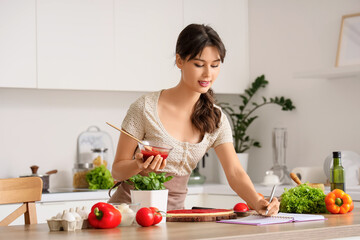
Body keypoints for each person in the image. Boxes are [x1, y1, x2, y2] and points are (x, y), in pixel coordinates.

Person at [109, 23, 279, 215]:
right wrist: (137, 165)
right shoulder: (145, 108)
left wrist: (259, 202)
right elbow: (117, 170)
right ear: (180, 61)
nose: (208, 74)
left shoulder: (216, 119)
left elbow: (235, 173)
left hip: (173, 218)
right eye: (199, 64)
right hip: (127, 214)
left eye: (215, 65)